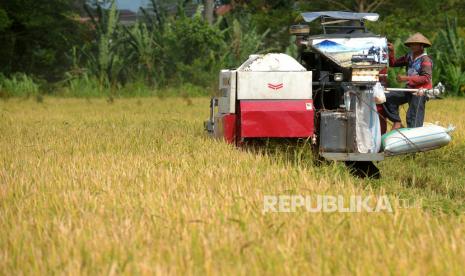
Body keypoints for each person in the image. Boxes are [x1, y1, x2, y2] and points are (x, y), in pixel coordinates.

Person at [383, 33, 433, 129]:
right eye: (411, 44)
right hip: (409, 89)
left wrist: (407, 78)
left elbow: (426, 78)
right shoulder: (408, 57)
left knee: (412, 116)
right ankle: (397, 121)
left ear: (422, 46)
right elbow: (393, 63)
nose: (412, 46)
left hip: (420, 92)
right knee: (385, 97)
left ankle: (414, 135)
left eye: (415, 44)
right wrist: (392, 51)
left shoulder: (425, 59)